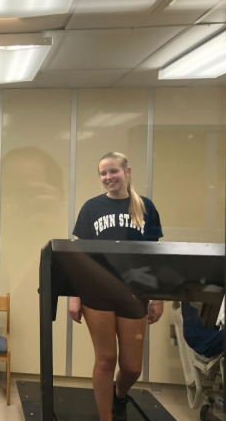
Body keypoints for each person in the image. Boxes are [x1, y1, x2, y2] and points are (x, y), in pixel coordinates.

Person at [69, 152, 164, 421]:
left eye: (113, 171)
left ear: (127, 171)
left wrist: (158, 298)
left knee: (132, 367)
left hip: (135, 293)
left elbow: (154, 256)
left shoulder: (146, 207)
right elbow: (81, 256)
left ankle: (119, 396)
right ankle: (105, 417)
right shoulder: (91, 208)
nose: (108, 177)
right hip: (96, 293)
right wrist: (74, 295)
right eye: (103, 173)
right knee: (105, 359)